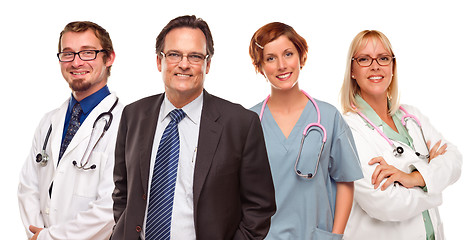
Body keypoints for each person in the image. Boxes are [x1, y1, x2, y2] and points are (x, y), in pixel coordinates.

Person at [111, 15, 276, 240]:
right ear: (159, 61)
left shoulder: (240, 124)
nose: (184, 64)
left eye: (195, 56)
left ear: (208, 64)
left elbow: (259, 207)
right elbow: (122, 192)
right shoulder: (133, 115)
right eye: (174, 54)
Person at [340, 30, 463, 240]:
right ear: (352, 70)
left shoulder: (411, 116)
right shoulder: (347, 130)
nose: (375, 66)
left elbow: (454, 160)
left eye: (383, 58)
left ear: (392, 67)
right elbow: (385, 204)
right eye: (364, 59)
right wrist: (434, 183)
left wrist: (413, 178)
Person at [248, 22, 363, 240]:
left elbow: (346, 181)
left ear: (301, 57)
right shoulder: (248, 122)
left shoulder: (328, 117)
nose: (282, 65)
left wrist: (335, 236)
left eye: (288, 54)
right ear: (260, 67)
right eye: (270, 58)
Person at [17, 21, 123, 240]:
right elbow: (28, 187)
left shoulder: (126, 124)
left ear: (109, 58)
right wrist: (36, 234)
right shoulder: (49, 121)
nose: (76, 62)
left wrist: (51, 238)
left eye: (87, 53)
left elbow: (110, 207)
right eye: (68, 54)